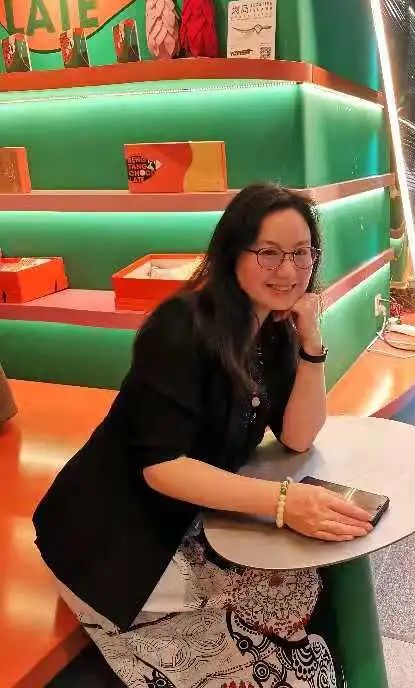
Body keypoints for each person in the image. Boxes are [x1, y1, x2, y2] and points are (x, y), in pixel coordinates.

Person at [33, 183, 372, 688]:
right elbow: (162, 466)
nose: (288, 271)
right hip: (112, 534)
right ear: (232, 252)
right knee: (271, 667)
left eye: (302, 253)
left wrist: (311, 341)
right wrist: (283, 501)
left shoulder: (272, 331)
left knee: (301, 603)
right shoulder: (182, 326)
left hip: (190, 517)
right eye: (268, 253)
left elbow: (299, 436)